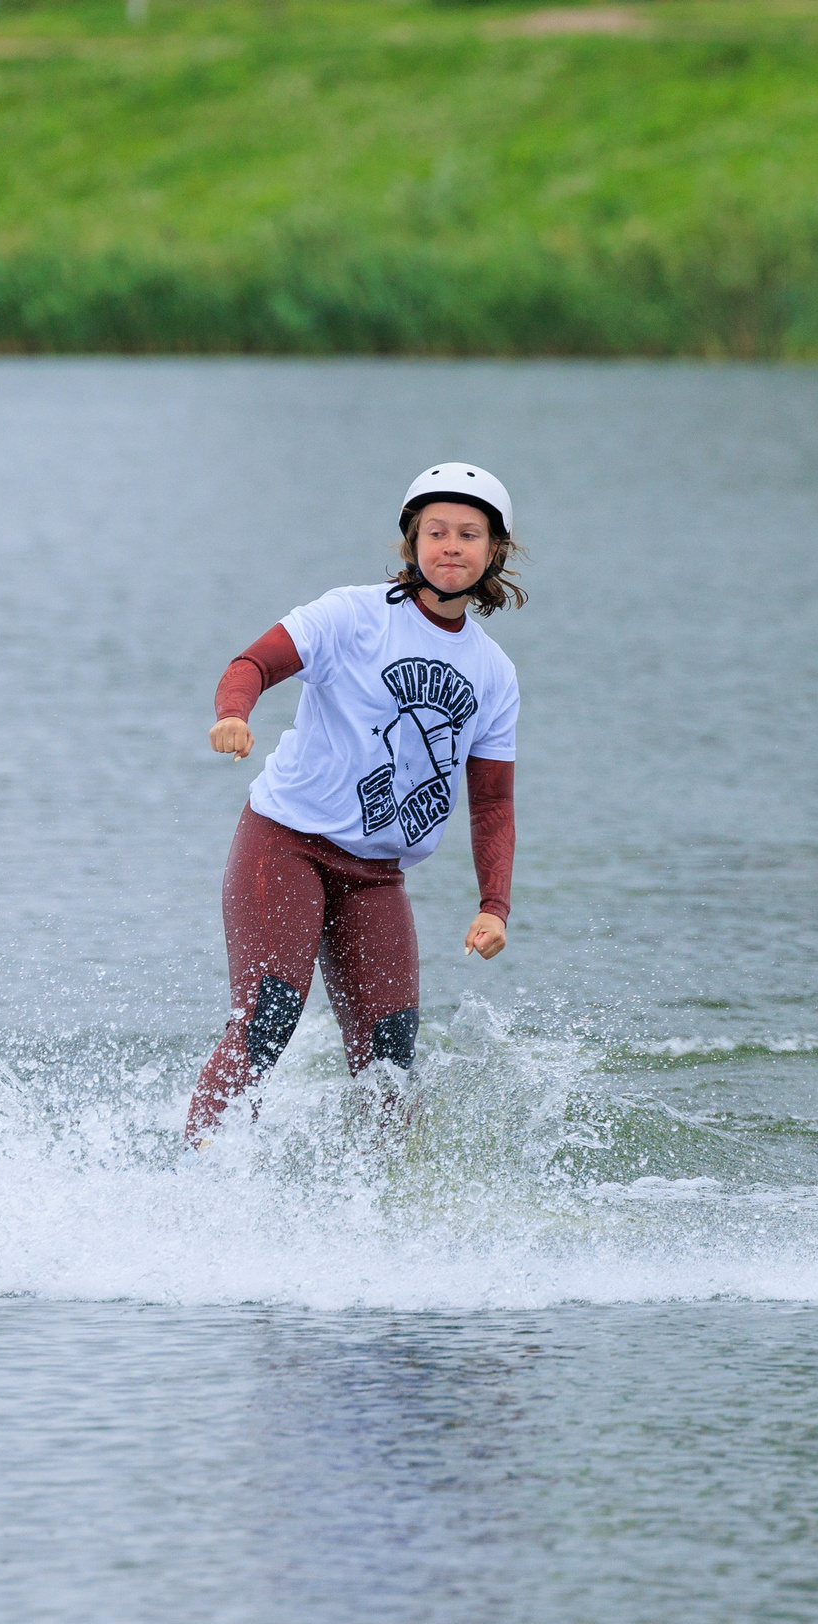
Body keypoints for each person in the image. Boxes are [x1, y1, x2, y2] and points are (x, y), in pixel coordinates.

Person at [185, 462, 524, 1143]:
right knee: (270, 1015)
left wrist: (494, 905)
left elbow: (491, 803)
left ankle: (375, 1215)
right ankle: (195, 1169)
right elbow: (251, 665)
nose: (450, 546)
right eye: (435, 531)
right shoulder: (351, 615)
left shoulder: (493, 672)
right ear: (411, 542)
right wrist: (233, 713)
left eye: (468, 534)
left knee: (392, 1059)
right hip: (286, 843)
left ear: (494, 552)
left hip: (376, 874)